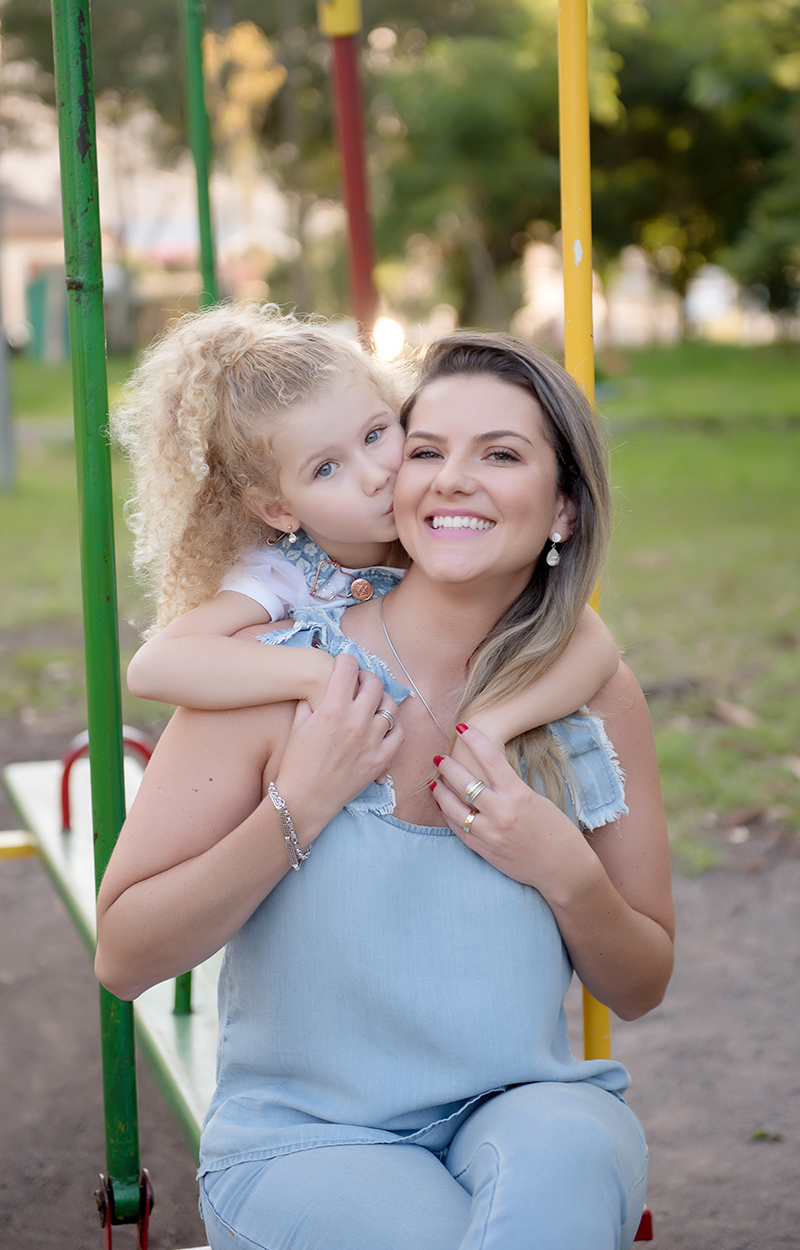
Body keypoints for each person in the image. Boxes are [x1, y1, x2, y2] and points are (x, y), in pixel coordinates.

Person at [96, 331, 674, 1250]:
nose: (452, 480)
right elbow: (124, 957)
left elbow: (640, 985)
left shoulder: (589, 699)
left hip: (521, 1108)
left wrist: (564, 869)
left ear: (564, 508)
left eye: (501, 455)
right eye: (429, 449)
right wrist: (297, 811)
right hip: (309, 1140)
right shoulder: (271, 676)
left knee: (569, 1152)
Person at [112, 302, 619, 760]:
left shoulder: (437, 532)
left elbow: (591, 642)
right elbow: (154, 666)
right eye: (326, 469)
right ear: (277, 509)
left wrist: (493, 725)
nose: (376, 475)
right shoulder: (283, 575)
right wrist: (318, 673)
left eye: (375, 434)